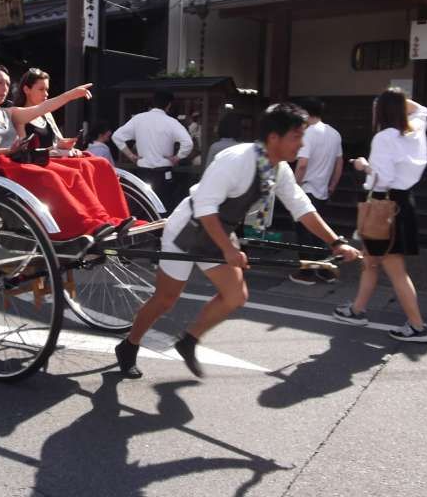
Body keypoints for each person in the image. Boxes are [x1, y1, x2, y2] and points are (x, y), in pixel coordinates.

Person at [114, 103, 361, 379]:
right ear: (273, 138)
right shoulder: (236, 160)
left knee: (235, 296)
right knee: (165, 299)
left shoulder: (277, 169)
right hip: (188, 228)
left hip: (219, 231)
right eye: (296, 137)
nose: (301, 144)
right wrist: (229, 248)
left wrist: (336, 242)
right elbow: (206, 207)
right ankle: (129, 345)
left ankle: (189, 339)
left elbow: (302, 208)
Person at [0, 64, 133, 241]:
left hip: (20, 161)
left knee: (76, 172)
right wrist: (9, 150)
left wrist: (70, 96)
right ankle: (83, 225)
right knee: (51, 177)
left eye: (7, 84)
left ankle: (105, 219)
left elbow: (42, 108)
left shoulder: (9, 112)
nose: (4, 88)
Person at [333, 89, 427, 343]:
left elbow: (381, 179)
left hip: (383, 206)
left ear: (381, 112)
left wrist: (363, 165)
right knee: (370, 260)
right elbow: (423, 110)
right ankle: (357, 309)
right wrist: (397, 99)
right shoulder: (416, 129)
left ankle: (418, 325)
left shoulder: (384, 138)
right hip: (404, 203)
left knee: (393, 267)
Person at [13, 68, 126, 209]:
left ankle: (112, 211)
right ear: (26, 89)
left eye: (47, 90)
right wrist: (55, 149)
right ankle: (94, 213)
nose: (46, 94)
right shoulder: (19, 114)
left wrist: (66, 144)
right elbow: (24, 151)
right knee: (81, 168)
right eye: (41, 89)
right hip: (38, 162)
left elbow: (58, 140)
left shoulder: (46, 114)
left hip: (57, 157)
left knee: (101, 163)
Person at [290, 98, 343, 285]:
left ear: (304, 113)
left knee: (305, 233)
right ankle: (326, 270)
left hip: (306, 188)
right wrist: (332, 185)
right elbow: (339, 163)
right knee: (320, 232)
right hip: (323, 189)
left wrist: (292, 186)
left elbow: (302, 164)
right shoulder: (334, 133)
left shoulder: (308, 134)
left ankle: (306, 273)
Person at [112, 91, 193, 210]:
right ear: (169, 105)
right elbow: (188, 143)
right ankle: (160, 228)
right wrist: (178, 157)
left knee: (143, 206)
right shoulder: (171, 122)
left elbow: (117, 136)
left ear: (153, 102)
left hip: (142, 172)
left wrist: (131, 155)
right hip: (164, 172)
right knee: (164, 206)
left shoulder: (139, 119)